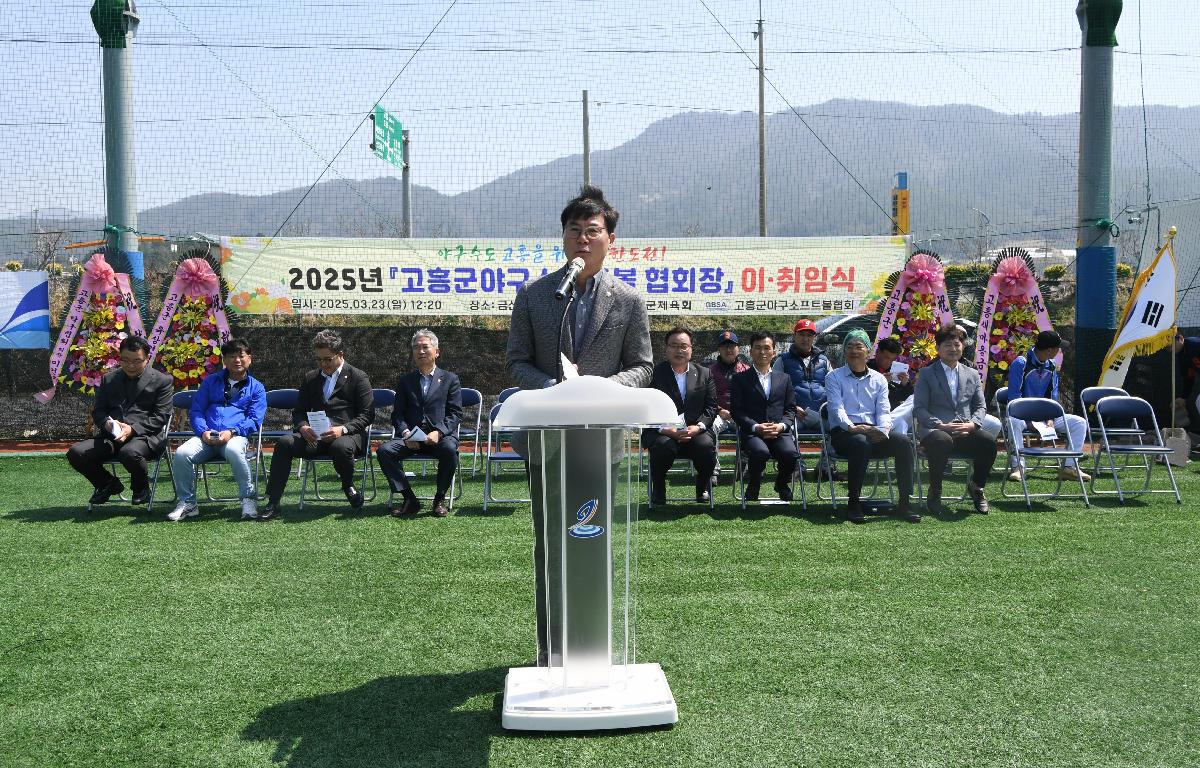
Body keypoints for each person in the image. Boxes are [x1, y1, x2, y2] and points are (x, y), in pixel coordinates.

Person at [504, 185, 652, 667]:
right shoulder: (535, 297)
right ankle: (552, 650)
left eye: (594, 232)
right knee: (551, 543)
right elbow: (517, 362)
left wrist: (598, 390)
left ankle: (592, 646)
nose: (583, 240)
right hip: (549, 442)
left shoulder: (628, 301)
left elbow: (643, 366)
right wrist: (556, 389)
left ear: (611, 240)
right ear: (563, 239)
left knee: (592, 538)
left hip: (600, 442)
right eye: (575, 231)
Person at [261, 329, 375, 520]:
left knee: (340, 447)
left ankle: (348, 485)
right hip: (315, 437)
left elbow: (367, 415)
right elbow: (298, 411)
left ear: (340, 355)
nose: (323, 364)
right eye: (319, 360)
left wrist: (342, 429)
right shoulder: (311, 378)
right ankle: (273, 501)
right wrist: (304, 427)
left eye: (327, 359)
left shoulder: (358, 377)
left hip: (348, 435)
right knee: (284, 443)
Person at [66, 335, 174, 507]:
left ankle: (141, 487)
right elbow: (99, 411)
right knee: (76, 453)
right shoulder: (109, 379)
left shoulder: (162, 380)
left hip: (145, 437)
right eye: (125, 360)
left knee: (129, 453)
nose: (131, 366)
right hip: (112, 436)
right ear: (120, 358)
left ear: (147, 359)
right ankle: (107, 483)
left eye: (137, 361)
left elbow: (161, 416)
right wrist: (106, 424)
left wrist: (132, 429)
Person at [167, 338, 267, 522]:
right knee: (182, 453)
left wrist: (232, 431)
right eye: (232, 356)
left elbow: (254, 419)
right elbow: (196, 410)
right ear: (224, 360)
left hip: (236, 436)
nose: (237, 360)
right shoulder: (210, 381)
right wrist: (203, 431)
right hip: (206, 436)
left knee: (234, 450)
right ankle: (188, 504)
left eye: (241, 356)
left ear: (249, 359)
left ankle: (248, 499)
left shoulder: (257, 388)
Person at [826, 330, 920, 523]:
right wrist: (852, 427)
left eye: (859, 346)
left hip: (873, 431)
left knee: (902, 441)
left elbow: (884, 410)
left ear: (868, 352)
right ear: (844, 352)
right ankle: (853, 502)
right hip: (844, 433)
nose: (854, 350)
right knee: (860, 442)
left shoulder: (879, 379)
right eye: (849, 346)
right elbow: (836, 408)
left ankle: (904, 502)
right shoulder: (833, 377)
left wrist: (884, 430)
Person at [376, 329, 463, 519]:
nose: (420, 351)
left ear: (437, 352)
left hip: (440, 438)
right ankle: (409, 498)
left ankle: (439, 499)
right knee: (384, 451)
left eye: (425, 347)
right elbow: (397, 415)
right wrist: (406, 434)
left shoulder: (450, 379)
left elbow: (456, 413)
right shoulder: (406, 381)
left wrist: (439, 432)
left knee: (450, 450)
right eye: (416, 348)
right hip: (411, 438)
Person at [913, 325, 998, 515]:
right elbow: (919, 408)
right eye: (947, 345)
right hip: (936, 431)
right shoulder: (927, 373)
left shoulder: (972, 373)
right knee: (943, 440)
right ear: (938, 348)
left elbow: (981, 406)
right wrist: (940, 425)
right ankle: (935, 491)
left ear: (963, 347)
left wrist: (972, 424)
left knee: (988, 443)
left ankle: (977, 487)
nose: (953, 349)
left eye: (957, 344)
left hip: (964, 430)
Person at [643, 327, 718, 505]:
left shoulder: (704, 373)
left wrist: (698, 427)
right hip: (663, 431)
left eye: (684, 346)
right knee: (662, 447)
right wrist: (666, 429)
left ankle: (702, 488)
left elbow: (711, 407)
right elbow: (645, 407)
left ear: (691, 349)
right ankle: (659, 489)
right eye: (674, 346)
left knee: (706, 447)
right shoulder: (654, 374)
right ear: (666, 349)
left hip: (695, 431)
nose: (679, 350)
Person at [1005, 330, 1091, 482]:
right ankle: (1018, 467)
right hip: (1021, 416)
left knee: (1079, 422)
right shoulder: (1021, 363)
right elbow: (1014, 398)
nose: (1060, 350)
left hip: (1044, 418)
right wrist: (1029, 421)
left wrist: (1050, 418)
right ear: (1050, 350)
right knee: (1013, 422)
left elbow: (1053, 395)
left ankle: (1069, 467)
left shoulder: (1051, 365)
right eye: (1058, 348)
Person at [731, 331, 799, 502]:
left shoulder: (784, 379)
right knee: (760, 452)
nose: (762, 352)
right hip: (753, 432)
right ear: (751, 351)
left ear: (774, 352)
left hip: (779, 431)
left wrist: (782, 426)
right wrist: (756, 427)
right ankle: (754, 485)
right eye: (758, 348)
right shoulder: (740, 379)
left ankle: (782, 484)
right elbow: (737, 411)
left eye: (767, 348)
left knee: (791, 454)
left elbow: (790, 409)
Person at [774, 318, 829, 433]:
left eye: (809, 335)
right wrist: (791, 408)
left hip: (820, 415)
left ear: (814, 337)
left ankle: (828, 451)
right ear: (795, 335)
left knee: (839, 429)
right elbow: (775, 391)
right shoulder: (782, 360)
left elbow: (834, 388)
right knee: (783, 431)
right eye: (802, 334)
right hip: (794, 415)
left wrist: (825, 410)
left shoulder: (824, 361)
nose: (805, 338)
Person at [870, 337, 914, 436]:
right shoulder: (867, 368)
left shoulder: (896, 369)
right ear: (877, 352)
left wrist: (905, 383)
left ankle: (885, 426)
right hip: (876, 412)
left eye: (892, 359)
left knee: (916, 398)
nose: (888, 362)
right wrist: (880, 382)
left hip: (894, 411)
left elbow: (907, 397)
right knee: (902, 425)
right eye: (886, 357)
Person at [708, 330, 749, 436]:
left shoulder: (747, 370)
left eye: (732, 346)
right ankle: (712, 453)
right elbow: (705, 397)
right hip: (719, 416)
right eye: (724, 346)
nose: (728, 349)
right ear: (719, 350)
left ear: (738, 349)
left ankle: (747, 453)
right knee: (710, 427)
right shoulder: (709, 372)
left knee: (753, 426)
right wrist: (719, 410)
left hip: (742, 415)